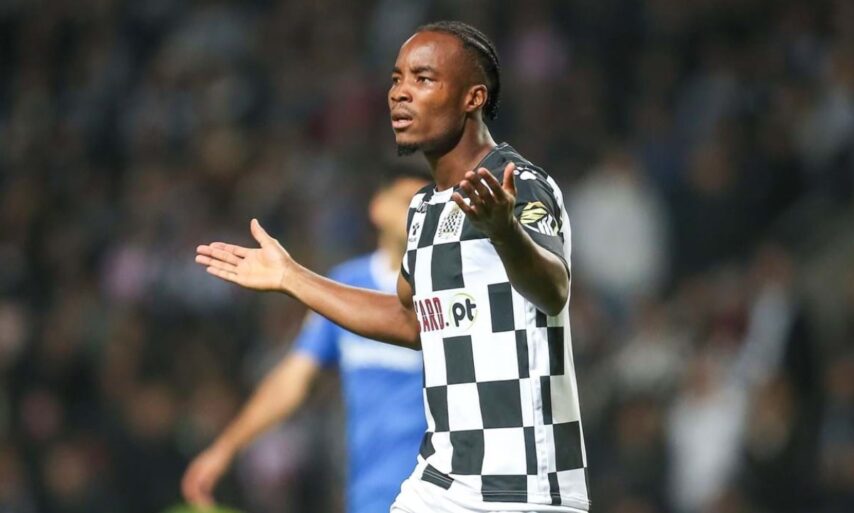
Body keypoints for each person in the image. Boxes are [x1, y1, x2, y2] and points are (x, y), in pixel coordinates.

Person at [195, 20, 590, 513]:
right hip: (441, 482)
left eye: (423, 79)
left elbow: (554, 289)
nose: (400, 93)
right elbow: (410, 320)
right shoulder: (424, 209)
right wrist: (291, 277)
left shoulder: (519, 183)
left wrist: (505, 231)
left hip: (520, 488)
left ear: (473, 98)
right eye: (397, 78)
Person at [182, 171, 430, 513]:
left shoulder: (443, 287)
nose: (416, 215)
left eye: (425, 206)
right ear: (377, 207)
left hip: (442, 490)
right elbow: (291, 380)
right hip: (370, 493)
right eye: (406, 203)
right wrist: (225, 447)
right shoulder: (345, 286)